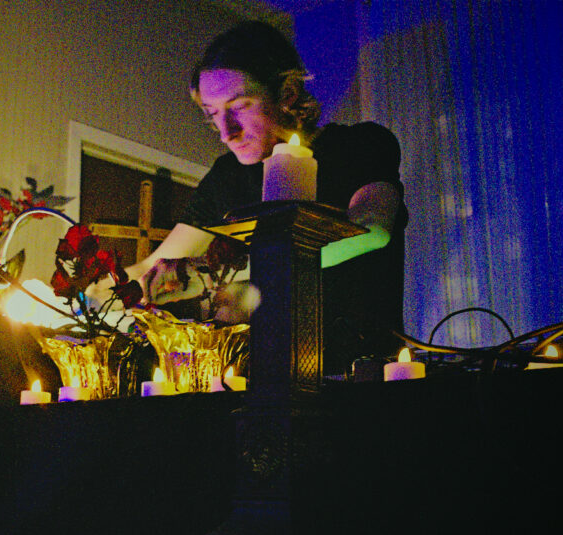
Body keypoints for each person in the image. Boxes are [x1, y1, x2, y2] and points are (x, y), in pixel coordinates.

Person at [119, 20, 409, 377]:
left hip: (360, 377)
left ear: (287, 94)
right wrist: (91, 288)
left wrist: (212, 273)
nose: (226, 132)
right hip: (261, 380)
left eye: (240, 105)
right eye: (212, 114)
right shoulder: (226, 176)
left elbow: (372, 231)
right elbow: (154, 269)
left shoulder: (359, 145)